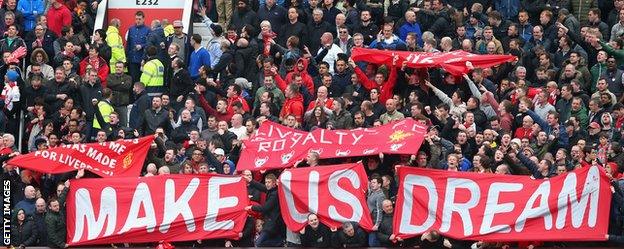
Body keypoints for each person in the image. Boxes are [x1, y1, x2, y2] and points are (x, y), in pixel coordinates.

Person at [245, 173, 284, 246]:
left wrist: (251, 207)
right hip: (269, 223)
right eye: (266, 182)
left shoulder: (275, 194)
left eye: (269, 182)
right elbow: (261, 187)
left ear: (274, 183)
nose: (267, 184)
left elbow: (265, 208)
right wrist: (250, 181)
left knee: (258, 243)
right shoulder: (272, 190)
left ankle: (280, 242)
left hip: (273, 223)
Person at [126, 11, 151, 82]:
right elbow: (128, 43)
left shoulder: (148, 30)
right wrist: (126, 57)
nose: (138, 21)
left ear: (143, 19)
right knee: (133, 79)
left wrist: (142, 46)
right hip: (132, 59)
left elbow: (150, 44)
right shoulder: (131, 29)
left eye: (139, 19)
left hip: (142, 59)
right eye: (136, 19)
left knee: (142, 80)